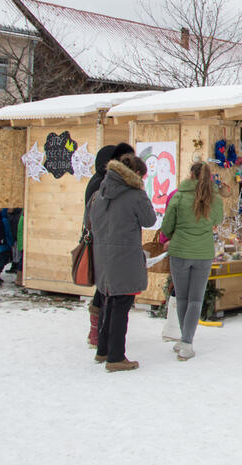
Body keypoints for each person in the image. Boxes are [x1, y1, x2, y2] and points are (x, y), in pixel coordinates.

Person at [89, 154, 156, 372]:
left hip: (102, 256)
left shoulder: (99, 194)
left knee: (108, 300)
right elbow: (150, 220)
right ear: (136, 174)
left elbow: (90, 222)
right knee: (121, 305)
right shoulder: (135, 195)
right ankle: (116, 356)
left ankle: (103, 349)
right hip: (125, 256)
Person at [160, 161, 224, 360]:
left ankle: (184, 339)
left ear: (190, 174)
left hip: (179, 251)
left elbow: (166, 226)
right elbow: (217, 221)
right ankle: (187, 341)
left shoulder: (178, 196)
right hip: (203, 253)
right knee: (196, 299)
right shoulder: (215, 200)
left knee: (182, 298)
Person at [83, 143, 135, 348]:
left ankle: (99, 333)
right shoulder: (101, 184)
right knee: (105, 289)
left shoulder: (98, 182)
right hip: (104, 241)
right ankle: (98, 333)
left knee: (104, 287)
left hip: (102, 240)